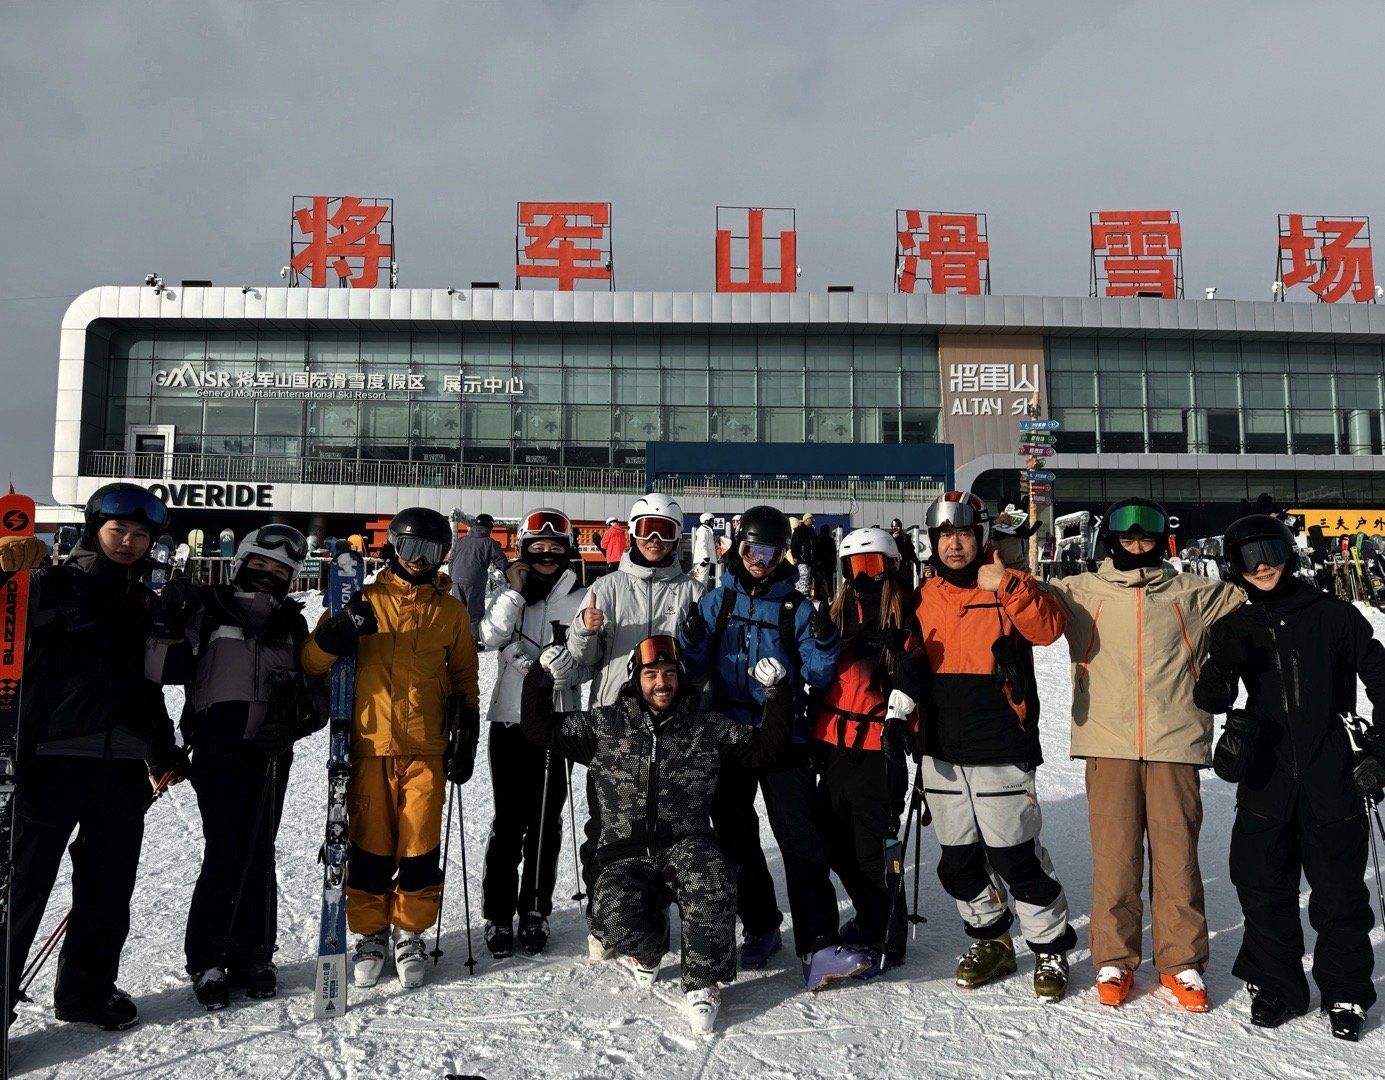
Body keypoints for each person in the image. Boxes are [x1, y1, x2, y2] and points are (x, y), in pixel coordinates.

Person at [521, 634, 793, 1033]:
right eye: (652, 674)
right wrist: (540, 677)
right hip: (623, 855)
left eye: (669, 673)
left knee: (712, 879)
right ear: (636, 678)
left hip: (686, 845)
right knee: (611, 920)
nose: (662, 683)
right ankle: (650, 945)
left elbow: (766, 749)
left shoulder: (707, 728)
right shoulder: (605, 725)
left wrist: (778, 694)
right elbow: (538, 728)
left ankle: (703, 981)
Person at [1047, 497, 1243, 1011]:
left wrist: (1259, 536)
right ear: (1111, 541)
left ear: (1162, 540)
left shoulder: (1195, 593)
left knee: (1177, 856)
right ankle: (1114, 956)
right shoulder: (1079, 592)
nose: (1138, 545)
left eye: (1147, 537)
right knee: (1116, 854)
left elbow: (1258, 595)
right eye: (1128, 538)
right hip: (1107, 739)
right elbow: (1027, 605)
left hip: (1175, 738)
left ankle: (1181, 962)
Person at [1194, 514, 1385, 1041]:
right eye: (1249, 557)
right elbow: (1210, 699)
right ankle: (1275, 982)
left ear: (1289, 553)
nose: (1263, 567)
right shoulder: (1235, 626)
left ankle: (1345, 988)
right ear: (1234, 565)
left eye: (1271, 552)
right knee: (1262, 885)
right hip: (1266, 774)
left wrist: (1379, 751)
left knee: (1339, 890)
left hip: (1331, 773)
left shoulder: (1334, 616)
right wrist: (1222, 663)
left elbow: (1382, 678)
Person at [6, 483, 183, 1032]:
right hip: (47, 760)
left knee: (108, 890)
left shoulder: (143, 603)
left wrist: (161, 745)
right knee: (21, 887)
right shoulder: (47, 584)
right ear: (93, 530)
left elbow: (145, 687)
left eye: (140, 535)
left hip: (120, 767)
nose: (129, 542)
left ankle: (86, 991)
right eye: (118, 531)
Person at [145, 524, 324, 1010]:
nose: (268, 576)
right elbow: (164, 671)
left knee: (259, 849)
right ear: (241, 563)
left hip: (269, 752)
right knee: (225, 851)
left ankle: (255, 953)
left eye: (280, 571)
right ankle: (207, 957)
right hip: (218, 747)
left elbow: (314, 691)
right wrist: (166, 621)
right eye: (260, 566)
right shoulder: (209, 607)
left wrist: (295, 726)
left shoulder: (291, 621)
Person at [301, 507, 481, 991]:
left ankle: (410, 931)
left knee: (420, 846)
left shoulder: (451, 611)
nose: (419, 560)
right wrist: (336, 633)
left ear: (444, 556)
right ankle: (370, 933)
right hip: (368, 746)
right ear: (392, 549)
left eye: (431, 552)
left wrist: (466, 732)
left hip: (426, 749)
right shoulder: (360, 599)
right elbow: (313, 663)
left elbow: (464, 676)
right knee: (371, 848)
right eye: (409, 548)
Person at [679, 506, 859, 988]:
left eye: (772, 551)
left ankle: (818, 944)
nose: (760, 560)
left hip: (784, 734)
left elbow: (818, 676)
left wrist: (823, 644)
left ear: (785, 555)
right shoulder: (718, 602)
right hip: (730, 732)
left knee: (799, 836)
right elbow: (697, 669)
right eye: (752, 550)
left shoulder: (795, 609)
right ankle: (760, 925)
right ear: (737, 550)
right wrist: (690, 638)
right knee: (736, 837)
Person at [916, 490, 1076, 1001]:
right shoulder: (925, 595)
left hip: (1000, 743)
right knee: (958, 861)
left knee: (1015, 858)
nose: (954, 545)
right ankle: (992, 938)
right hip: (940, 749)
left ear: (980, 536)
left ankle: (1049, 945)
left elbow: (1049, 629)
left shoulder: (1008, 585)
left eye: (963, 533)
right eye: (944, 536)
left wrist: (1007, 582)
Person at [566, 493, 702, 944]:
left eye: (666, 532)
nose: (655, 541)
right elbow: (583, 661)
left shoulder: (692, 591)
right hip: (616, 726)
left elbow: (702, 665)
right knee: (605, 826)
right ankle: (605, 913)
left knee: (668, 826)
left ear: (678, 539)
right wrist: (586, 629)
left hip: (672, 728)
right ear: (632, 532)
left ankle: (655, 909)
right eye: (647, 530)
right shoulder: (606, 587)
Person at [813, 527, 929, 971]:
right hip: (835, 744)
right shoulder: (838, 614)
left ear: (891, 566)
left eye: (873, 566)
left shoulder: (904, 616)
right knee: (832, 839)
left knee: (871, 849)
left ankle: (888, 934)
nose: (864, 577)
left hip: (880, 744)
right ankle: (869, 914)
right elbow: (821, 674)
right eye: (856, 567)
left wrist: (899, 664)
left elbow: (918, 673)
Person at [477, 508, 587, 959]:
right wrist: (515, 592)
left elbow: (591, 654)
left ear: (568, 553)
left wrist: (571, 669)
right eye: (537, 550)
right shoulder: (509, 593)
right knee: (508, 821)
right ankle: (499, 913)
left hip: (556, 721)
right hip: (509, 719)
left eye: (555, 550)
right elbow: (488, 637)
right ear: (523, 551)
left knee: (545, 820)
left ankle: (536, 909)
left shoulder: (582, 596)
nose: (546, 557)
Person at [446, 512, 507, 638]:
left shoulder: (461, 541)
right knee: (474, 611)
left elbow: (451, 560)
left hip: (456, 579)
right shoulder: (489, 542)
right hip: (474, 580)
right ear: (489, 528)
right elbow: (502, 562)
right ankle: (473, 640)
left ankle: (456, 639)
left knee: (458, 611)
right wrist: (507, 574)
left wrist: (453, 577)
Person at [888, 518, 920, 590]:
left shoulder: (905, 537)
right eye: (894, 526)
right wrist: (892, 538)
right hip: (893, 566)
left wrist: (917, 562)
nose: (896, 528)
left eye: (898, 526)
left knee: (906, 587)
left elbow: (911, 552)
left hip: (904, 566)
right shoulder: (889, 537)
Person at [789, 513, 816, 595]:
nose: (812, 521)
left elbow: (815, 545)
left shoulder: (812, 531)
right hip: (801, 558)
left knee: (806, 577)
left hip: (809, 560)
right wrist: (795, 556)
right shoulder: (798, 531)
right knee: (804, 575)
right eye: (811, 519)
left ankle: (799, 592)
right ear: (806, 519)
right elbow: (794, 545)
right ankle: (802, 595)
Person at [690, 512, 718, 586]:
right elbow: (702, 544)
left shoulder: (706, 531)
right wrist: (705, 558)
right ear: (707, 521)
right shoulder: (703, 531)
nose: (713, 523)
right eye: (712, 521)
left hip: (705, 560)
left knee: (701, 579)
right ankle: (700, 596)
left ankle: (700, 595)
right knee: (702, 580)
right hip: (703, 561)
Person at [811, 521, 837, 601]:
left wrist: (814, 563)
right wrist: (834, 564)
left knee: (817, 582)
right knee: (829, 582)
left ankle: (816, 597)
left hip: (818, 565)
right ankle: (830, 597)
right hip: (828, 565)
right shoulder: (831, 541)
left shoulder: (817, 539)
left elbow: (814, 552)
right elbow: (833, 553)